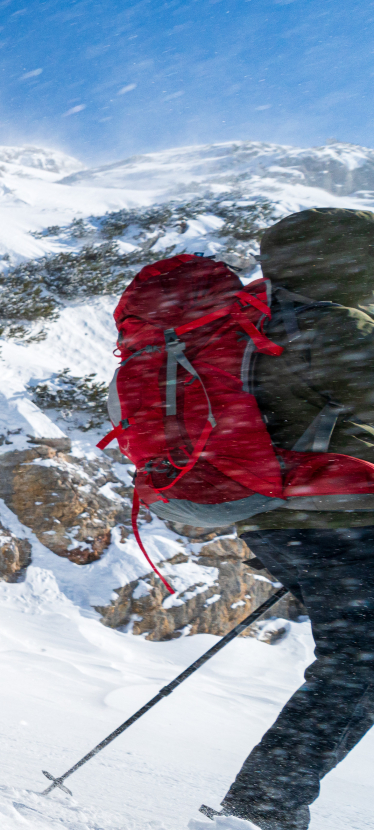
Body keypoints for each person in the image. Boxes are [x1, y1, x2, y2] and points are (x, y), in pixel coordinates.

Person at [207, 208, 374, 830]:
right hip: (340, 519)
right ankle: (260, 811)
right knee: (359, 668)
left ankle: (262, 808)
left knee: (357, 664)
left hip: (276, 520)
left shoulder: (259, 316)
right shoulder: (336, 325)